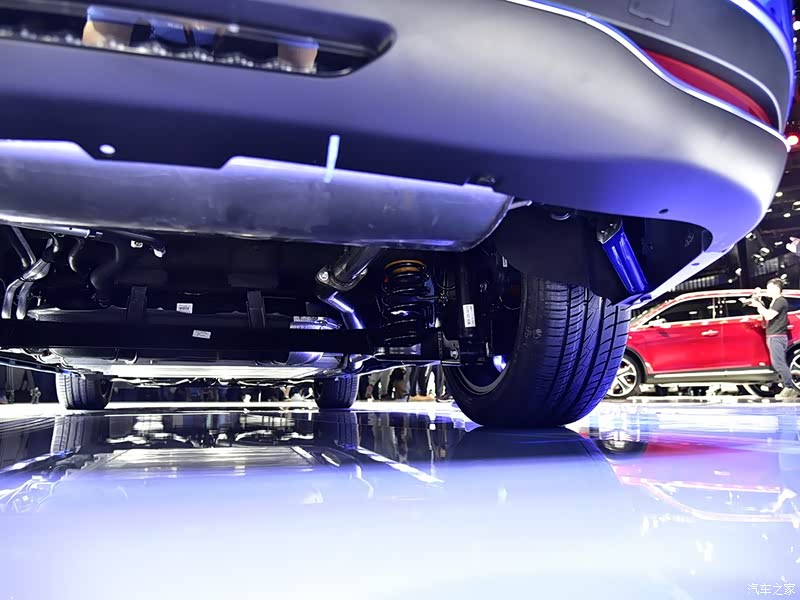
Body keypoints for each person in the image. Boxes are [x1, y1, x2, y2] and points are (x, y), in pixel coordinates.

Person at [743, 278, 799, 400]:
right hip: (773, 335)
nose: (767, 291)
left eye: (769, 288)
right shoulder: (775, 302)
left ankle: (789, 387)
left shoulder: (780, 301)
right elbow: (766, 318)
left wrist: (759, 305)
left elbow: (769, 315)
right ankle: (787, 386)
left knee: (779, 363)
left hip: (777, 336)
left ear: (776, 289)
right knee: (777, 363)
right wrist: (759, 305)